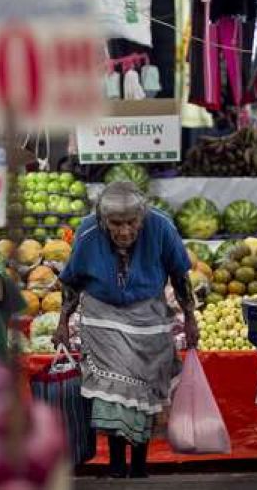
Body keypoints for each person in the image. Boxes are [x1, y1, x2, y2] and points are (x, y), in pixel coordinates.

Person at [53, 181, 198, 478]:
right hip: (102, 319)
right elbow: (72, 280)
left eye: (131, 223)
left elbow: (179, 275)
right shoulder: (88, 231)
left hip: (149, 317)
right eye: (115, 223)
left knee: (145, 394)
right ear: (102, 219)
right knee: (113, 395)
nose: (124, 231)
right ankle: (117, 465)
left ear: (142, 217)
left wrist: (190, 317)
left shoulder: (161, 227)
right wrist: (62, 322)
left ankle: (140, 465)